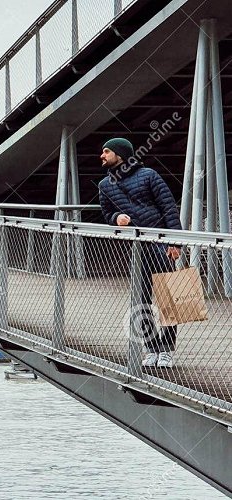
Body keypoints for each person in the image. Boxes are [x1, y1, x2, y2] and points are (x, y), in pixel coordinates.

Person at [97, 137, 182, 368]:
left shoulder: (149, 175)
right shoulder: (105, 186)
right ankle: (151, 348)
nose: (102, 156)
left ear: (120, 154)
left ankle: (166, 351)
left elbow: (169, 208)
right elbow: (106, 214)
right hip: (138, 248)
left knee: (168, 299)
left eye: (106, 151)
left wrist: (175, 243)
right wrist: (116, 218)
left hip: (161, 244)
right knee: (141, 299)